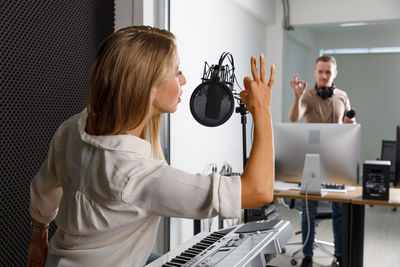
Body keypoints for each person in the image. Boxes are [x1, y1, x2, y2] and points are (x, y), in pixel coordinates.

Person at [27, 25, 276, 267]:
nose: (185, 79)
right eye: (177, 72)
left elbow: (45, 189)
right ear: (148, 87)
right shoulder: (137, 176)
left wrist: (38, 237)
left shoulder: (74, 127)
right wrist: (262, 111)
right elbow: (258, 191)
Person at [288, 55, 356, 267]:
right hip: (312, 161)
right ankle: (308, 255)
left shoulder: (342, 97)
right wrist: (297, 97)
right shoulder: (307, 96)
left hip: (336, 158)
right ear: (315, 72)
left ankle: (340, 255)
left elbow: (350, 128)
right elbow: (293, 117)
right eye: (320, 71)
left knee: (339, 210)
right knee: (309, 208)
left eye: (328, 72)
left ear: (335, 73)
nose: (324, 75)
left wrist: (350, 122)